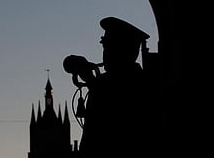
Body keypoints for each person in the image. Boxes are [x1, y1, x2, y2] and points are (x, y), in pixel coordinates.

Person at [64, 16, 152, 158]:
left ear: (126, 51)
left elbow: (114, 115)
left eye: (110, 47)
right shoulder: (103, 83)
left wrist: (91, 81)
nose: (105, 53)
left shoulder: (139, 82)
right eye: (105, 46)